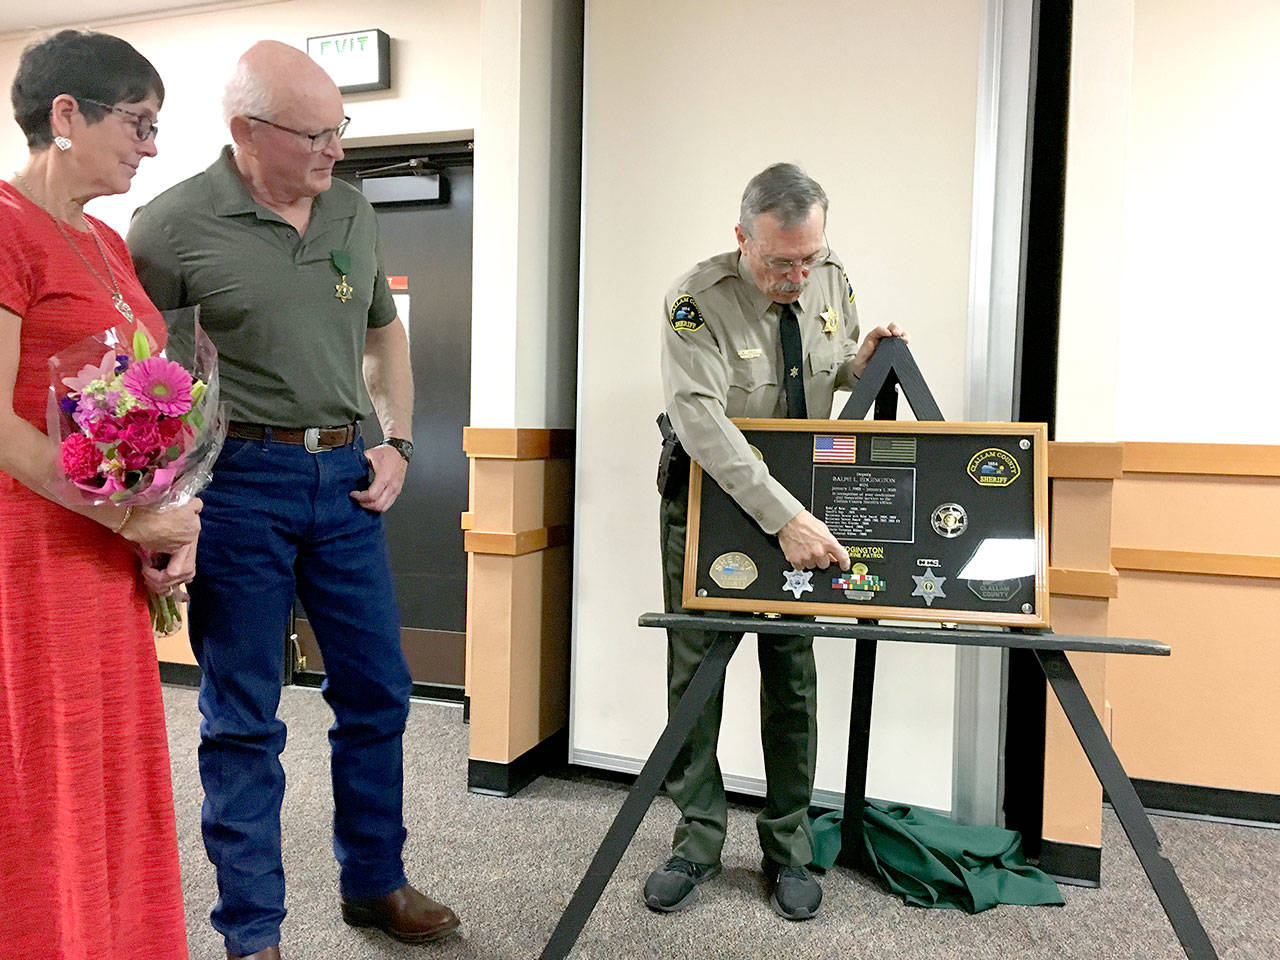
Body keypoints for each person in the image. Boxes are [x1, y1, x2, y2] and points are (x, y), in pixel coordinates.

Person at [126, 40, 454, 960]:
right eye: (316, 134)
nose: (337, 151)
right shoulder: (170, 226)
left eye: (340, 130)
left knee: (378, 693)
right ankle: (253, 932)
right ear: (245, 132)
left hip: (346, 479)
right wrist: (164, 506)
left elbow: (385, 339)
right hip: (239, 487)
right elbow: (144, 382)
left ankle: (375, 882)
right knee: (243, 716)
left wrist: (397, 440)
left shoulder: (351, 209)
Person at [648, 162, 906, 921]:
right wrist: (779, 515)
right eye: (779, 262)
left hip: (803, 506)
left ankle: (789, 845)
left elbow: (824, 378)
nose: (797, 276)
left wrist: (862, 365)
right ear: (741, 239)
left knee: (791, 674)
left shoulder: (832, 278)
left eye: (809, 258)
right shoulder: (696, 299)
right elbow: (700, 420)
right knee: (698, 672)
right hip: (711, 502)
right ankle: (697, 839)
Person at [0, 30, 203, 960]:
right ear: (65, 114)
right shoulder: (4, 223)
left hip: (100, 552)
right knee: (46, 771)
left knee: (107, 769)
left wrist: (166, 522)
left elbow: (130, 412)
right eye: (139, 122)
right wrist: (129, 513)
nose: (150, 146)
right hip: (29, 552)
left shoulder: (109, 242)